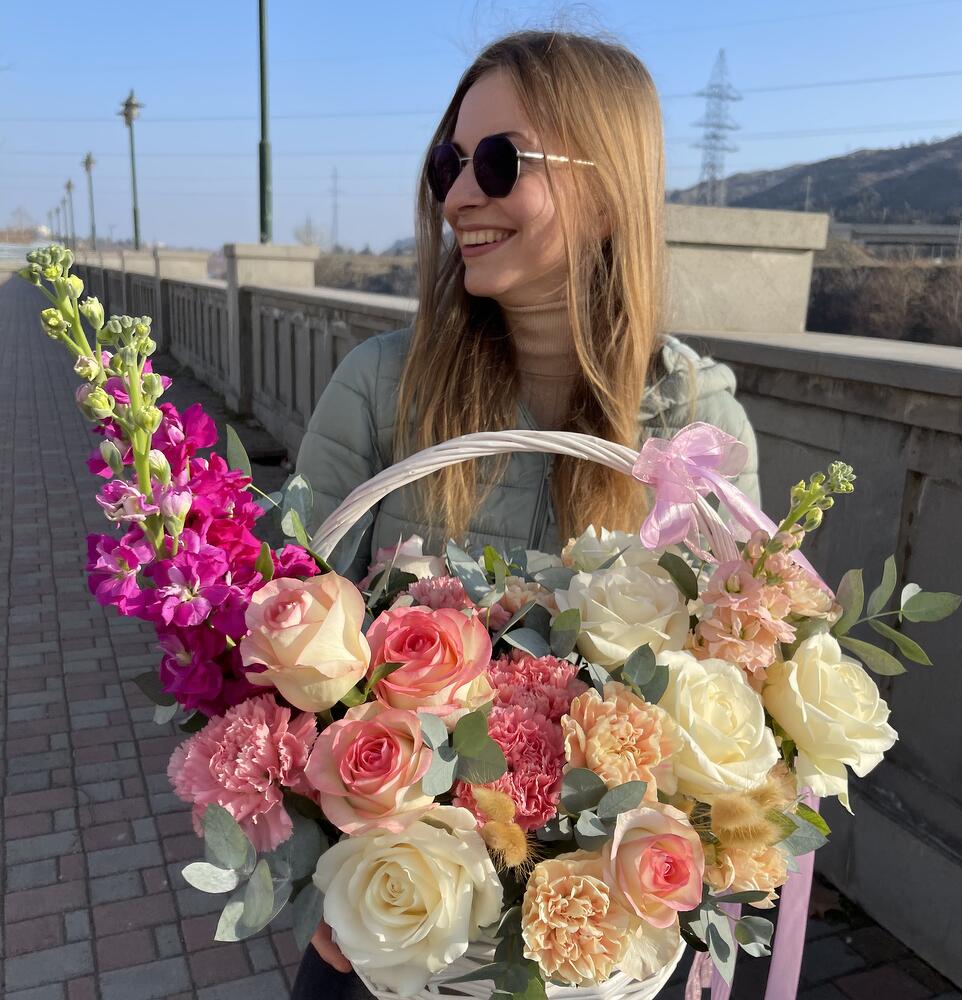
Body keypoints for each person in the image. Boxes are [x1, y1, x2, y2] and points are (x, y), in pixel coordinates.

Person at [290, 28, 759, 999]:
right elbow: (279, 634)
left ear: (607, 190)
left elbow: (740, 685)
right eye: (448, 163)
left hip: (593, 949)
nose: (459, 195)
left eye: (499, 163)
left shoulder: (694, 425)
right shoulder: (380, 386)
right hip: (400, 929)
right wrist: (318, 872)